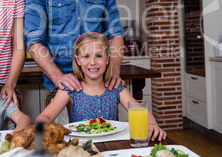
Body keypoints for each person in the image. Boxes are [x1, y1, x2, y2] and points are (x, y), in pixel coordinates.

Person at [35, 32, 167, 141]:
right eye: (86, 56)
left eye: (99, 56)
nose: (92, 62)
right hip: (82, 148)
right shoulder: (70, 89)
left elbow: (141, 112)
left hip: (114, 145)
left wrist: (151, 124)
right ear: (78, 60)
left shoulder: (116, 88)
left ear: (107, 59)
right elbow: (44, 117)